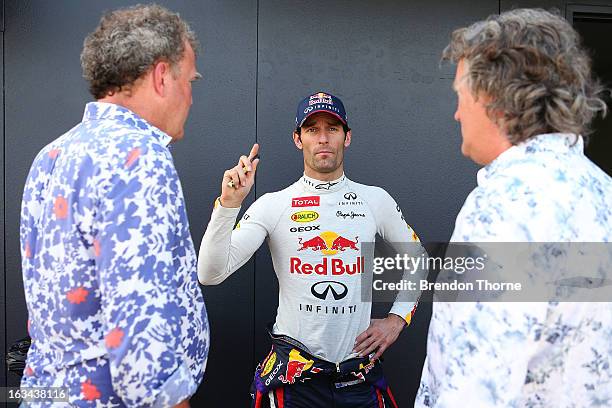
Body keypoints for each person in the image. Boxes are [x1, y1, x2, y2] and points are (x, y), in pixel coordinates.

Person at [416, 8, 612, 407]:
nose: (456, 113)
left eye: (460, 95)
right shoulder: (602, 191)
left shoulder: (503, 208)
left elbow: (477, 385)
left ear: (492, 98)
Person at [19, 5, 208, 407]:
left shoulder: (51, 155)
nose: (191, 96)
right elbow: (141, 335)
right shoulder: (139, 157)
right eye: (189, 80)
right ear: (161, 77)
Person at [198, 91, 423, 407]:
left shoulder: (375, 200)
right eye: (312, 129)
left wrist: (398, 318)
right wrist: (229, 205)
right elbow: (210, 273)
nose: (323, 139)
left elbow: (419, 260)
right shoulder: (273, 204)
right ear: (297, 138)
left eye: (332, 129)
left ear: (347, 138)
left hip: (358, 378)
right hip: (294, 382)